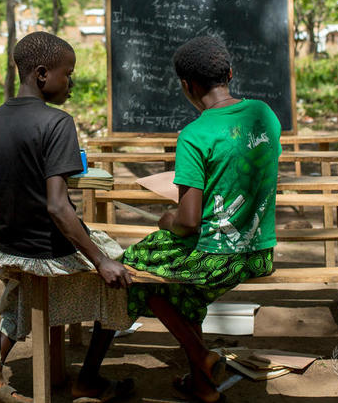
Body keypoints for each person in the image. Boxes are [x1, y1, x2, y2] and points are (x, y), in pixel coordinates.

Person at [0, 31, 134, 403]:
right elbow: (58, 207)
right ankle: (89, 379)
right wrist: (101, 261)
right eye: (67, 74)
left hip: (9, 249)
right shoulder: (57, 123)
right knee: (118, 271)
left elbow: (2, 181)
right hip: (47, 252)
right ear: (42, 74)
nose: (71, 83)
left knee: (25, 286)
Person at [121, 36, 280, 403]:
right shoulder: (264, 115)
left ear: (187, 85)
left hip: (217, 257)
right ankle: (203, 387)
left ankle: (201, 356)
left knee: (131, 270)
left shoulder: (194, 135)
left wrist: (167, 219)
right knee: (180, 290)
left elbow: (189, 222)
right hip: (258, 253)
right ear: (230, 73)